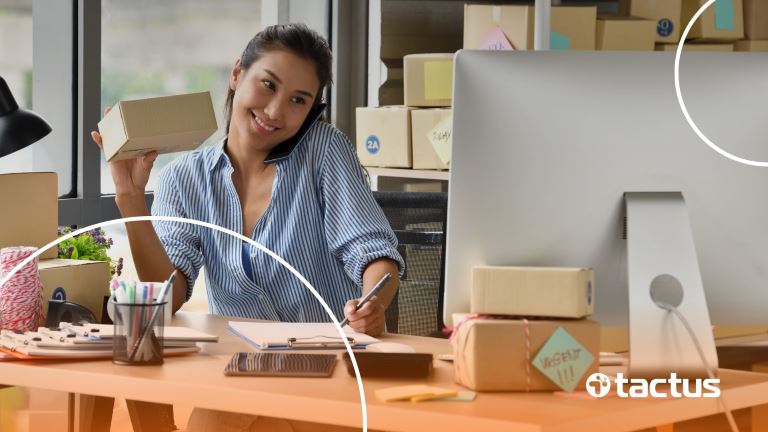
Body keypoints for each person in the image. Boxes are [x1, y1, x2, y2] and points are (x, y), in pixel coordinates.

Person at [92, 23, 402, 431]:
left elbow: (374, 252)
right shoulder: (184, 178)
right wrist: (130, 198)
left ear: (312, 110)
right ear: (238, 74)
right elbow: (167, 297)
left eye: (298, 100)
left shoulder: (325, 151)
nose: (275, 111)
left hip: (331, 370)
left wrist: (374, 302)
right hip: (242, 373)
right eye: (267, 85)